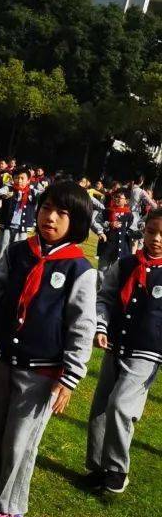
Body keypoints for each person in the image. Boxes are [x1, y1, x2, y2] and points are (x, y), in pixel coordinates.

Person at [0, 180, 97, 517]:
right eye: (45, 207)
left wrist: (69, 378)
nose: (49, 217)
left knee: (20, 441)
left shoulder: (79, 270)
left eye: (61, 213)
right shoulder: (19, 252)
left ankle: (10, 508)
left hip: (42, 373)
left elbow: (82, 328)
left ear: (78, 222)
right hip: (4, 360)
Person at [87, 206, 162, 495]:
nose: (155, 239)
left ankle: (117, 468)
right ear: (143, 231)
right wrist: (101, 326)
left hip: (147, 352)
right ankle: (97, 467)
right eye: (151, 232)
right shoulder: (126, 264)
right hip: (115, 344)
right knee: (100, 409)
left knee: (120, 405)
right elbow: (104, 298)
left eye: (161, 234)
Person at [0, 166, 41, 263]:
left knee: (18, 256)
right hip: (6, 228)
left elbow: (44, 195)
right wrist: (2, 195)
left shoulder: (33, 193)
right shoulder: (8, 189)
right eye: (16, 178)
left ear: (28, 180)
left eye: (22, 178)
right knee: (0, 255)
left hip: (21, 230)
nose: (19, 180)